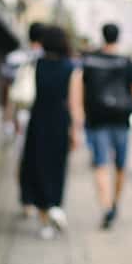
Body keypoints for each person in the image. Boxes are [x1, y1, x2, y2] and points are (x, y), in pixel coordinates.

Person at [18, 26, 83, 240]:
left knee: (37, 166)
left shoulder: (37, 64)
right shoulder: (72, 69)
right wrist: (76, 131)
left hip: (38, 120)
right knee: (57, 167)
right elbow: (75, 105)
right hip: (59, 122)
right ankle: (55, 206)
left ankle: (45, 221)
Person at [81, 22, 132, 229]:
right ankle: (115, 202)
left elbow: (81, 88)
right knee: (120, 166)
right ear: (118, 37)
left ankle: (106, 206)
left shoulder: (90, 60)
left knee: (100, 164)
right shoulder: (127, 62)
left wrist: (80, 114)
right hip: (121, 119)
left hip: (97, 119)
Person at [2, 23, 45, 215]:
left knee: (21, 157)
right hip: (42, 115)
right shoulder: (49, 59)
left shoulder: (14, 58)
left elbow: (7, 89)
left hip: (20, 113)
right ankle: (37, 198)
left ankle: (25, 200)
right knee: (40, 158)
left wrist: (7, 118)